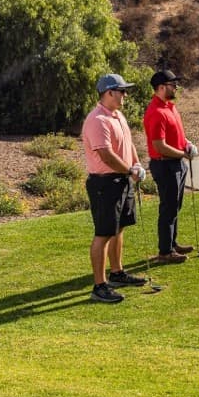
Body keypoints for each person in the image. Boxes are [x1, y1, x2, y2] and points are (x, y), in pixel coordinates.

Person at [82, 73, 148, 304]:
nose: (125, 95)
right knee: (103, 233)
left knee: (119, 229)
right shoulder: (97, 120)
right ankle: (99, 285)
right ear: (109, 92)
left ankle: (117, 273)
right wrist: (130, 170)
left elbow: (128, 144)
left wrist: (136, 164)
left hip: (121, 179)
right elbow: (106, 155)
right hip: (104, 182)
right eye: (122, 91)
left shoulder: (118, 116)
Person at [142, 69, 197, 264]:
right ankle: (165, 252)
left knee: (175, 206)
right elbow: (160, 146)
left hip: (176, 164)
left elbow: (177, 136)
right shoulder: (156, 113)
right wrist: (183, 153)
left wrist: (187, 144)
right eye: (173, 84)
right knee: (168, 208)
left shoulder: (169, 107)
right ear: (161, 87)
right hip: (165, 166)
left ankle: (172, 244)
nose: (176, 87)